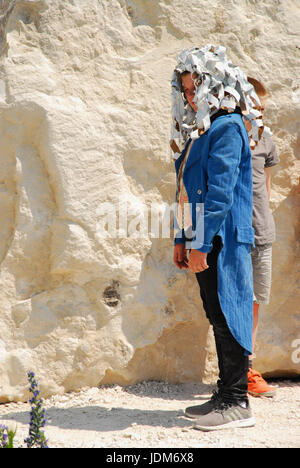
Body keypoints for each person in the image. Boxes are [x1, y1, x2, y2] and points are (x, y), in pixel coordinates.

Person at [170, 45, 272, 431]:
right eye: (186, 90)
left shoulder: (227, 126)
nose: (190, 96)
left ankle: (236, 402)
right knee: (216, 314)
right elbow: (186, 188)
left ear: (215, 82)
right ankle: (224, 393)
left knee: (230, 312)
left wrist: (200, 243)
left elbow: (220, 194)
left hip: (222, 239)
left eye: (195, 87)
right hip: (200, 237)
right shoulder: (201, 129)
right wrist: (182, 237)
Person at [246, 77, 279, 397]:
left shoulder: (266, 139)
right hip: (233, 236)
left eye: (263, 109)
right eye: (254, 107)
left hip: (262, 233)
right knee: (230, 302)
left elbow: (266, 189)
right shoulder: (223, 137)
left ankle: (247, 368)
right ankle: (235, 369)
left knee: (255, 302)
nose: (259, 113)